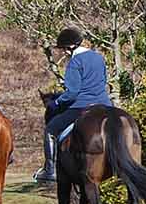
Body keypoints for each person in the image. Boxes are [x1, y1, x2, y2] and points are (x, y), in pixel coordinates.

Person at [36, 27, 113, 183]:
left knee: (51, 130)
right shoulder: (99, 57)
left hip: (82, 106)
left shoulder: (75, 61)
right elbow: (104, 81)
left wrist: (56, 102)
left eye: (64, 49)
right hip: (105, 105)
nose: (64, 52)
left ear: (70, 46)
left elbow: (72, 93)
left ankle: (50, 170)